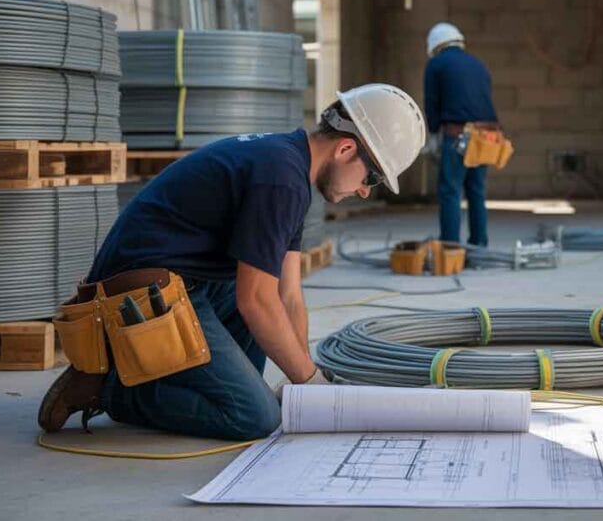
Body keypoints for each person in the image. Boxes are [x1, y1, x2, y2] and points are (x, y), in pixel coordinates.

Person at [38, 84, 426, 440]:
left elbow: (287, 293)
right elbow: (254, 300)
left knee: (250, 382)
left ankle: (149, 379)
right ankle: (111, 389)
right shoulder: (280, 178)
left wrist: (305, 377)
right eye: (371, 177)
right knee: (254, 417)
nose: (363, 189)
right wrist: (311, 384)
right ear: (345, 149)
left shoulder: (290, 169)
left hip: (186, 283)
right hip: (139, 292)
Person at [424, 22, 500, 247]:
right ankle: (479, 246)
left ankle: (450, 247)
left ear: (435, 46)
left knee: (450, 191)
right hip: (487, 136)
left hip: (458, 136)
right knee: (476, 191)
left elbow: (431, 102)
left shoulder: (436, 64)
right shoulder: (478, 64)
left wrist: (434, 133)